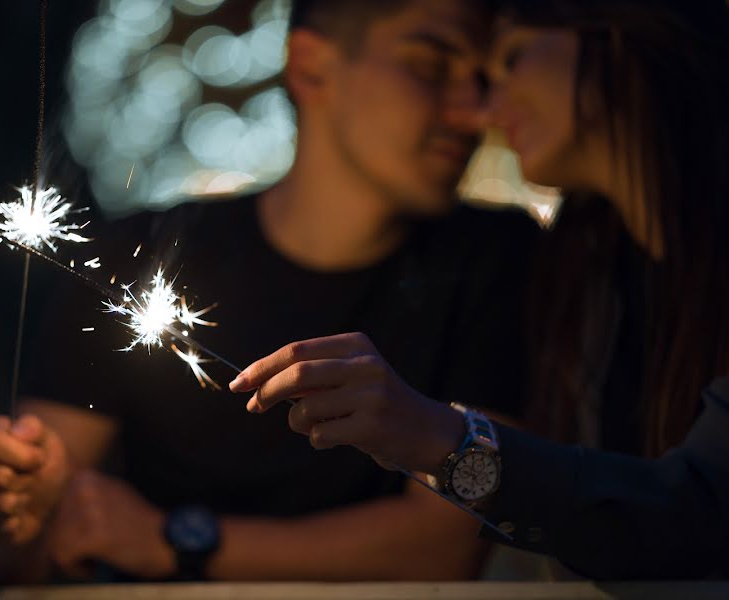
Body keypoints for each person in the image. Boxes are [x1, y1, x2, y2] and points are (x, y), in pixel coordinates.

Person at [0, 0, 540, 584]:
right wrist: (1, 515)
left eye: (484, 80)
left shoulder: (498, 259)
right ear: (310, 66)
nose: (475, 113)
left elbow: (444, 546)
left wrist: (168, 538)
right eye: (431, 66)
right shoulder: (139, 254)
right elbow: (12, 558)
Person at [233, 0, 729, 580]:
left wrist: (444, 439)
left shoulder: (513, 262)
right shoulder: (583, 278)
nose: (483, 112)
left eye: (513, 58)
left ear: (625, 27)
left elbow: (702, 510)